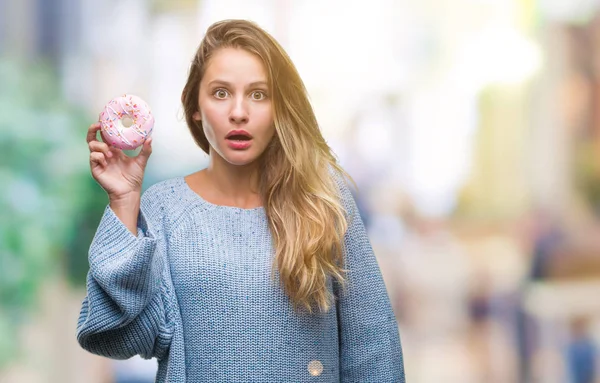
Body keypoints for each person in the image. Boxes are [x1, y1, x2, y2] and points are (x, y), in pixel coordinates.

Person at [77, 19, 405, 382]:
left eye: (258, 94)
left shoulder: (322, 198)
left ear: (280, 107)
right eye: (220, 93)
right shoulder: (164, 209)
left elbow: (374, 350)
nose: (238, 112)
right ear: (195, 107)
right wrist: (124, 201)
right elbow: (115, 337)